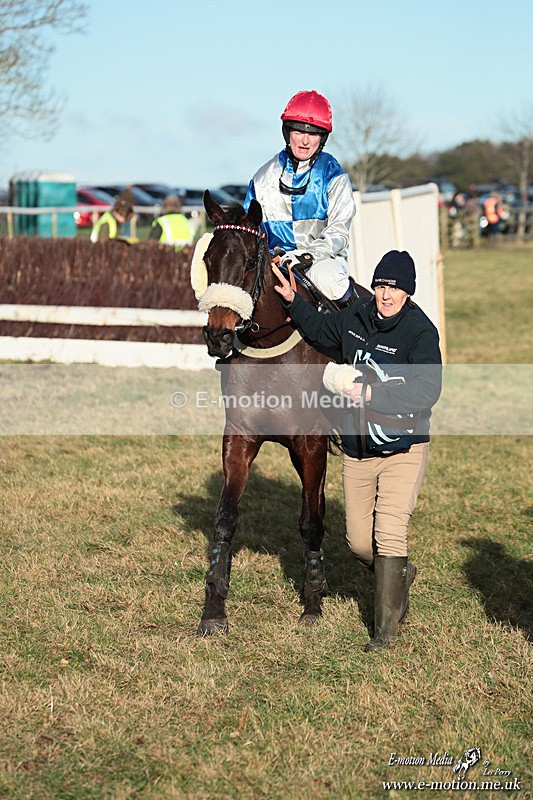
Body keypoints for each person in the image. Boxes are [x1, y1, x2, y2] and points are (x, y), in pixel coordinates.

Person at [272, 250, 442, 652]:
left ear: (408, 294)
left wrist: (371, 393)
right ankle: (397, 575)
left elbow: (427, 390)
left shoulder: (420, 332)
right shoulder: (357, 316)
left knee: (389, 535)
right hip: (357, 450)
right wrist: (293, 301)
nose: (385, 295)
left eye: (395, 289)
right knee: (359, 543)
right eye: (382, 285)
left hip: (403, 448)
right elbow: (320, 329)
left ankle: (384, 633)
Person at [244, 90, 358, 307]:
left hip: (322, 262)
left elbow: (339, 232)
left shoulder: (334, 175)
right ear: (287, 132)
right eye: (298, 132)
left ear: (322, 138)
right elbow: (251, 231)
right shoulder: (261, 178)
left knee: (329, 279)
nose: (305, 141)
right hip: (272, 263)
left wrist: (307, 256)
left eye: (313, 134)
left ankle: (355, 335)